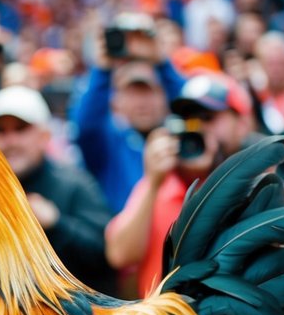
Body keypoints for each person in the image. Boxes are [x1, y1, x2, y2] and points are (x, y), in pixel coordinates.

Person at [105, 73, 254, 297]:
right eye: (188, 119)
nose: (198, 128)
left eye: (208, 117)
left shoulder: (256, 183)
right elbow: (119, 254)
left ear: (242, 124)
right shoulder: (160, 182)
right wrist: (152, 181)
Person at [0, 86, 118, 295]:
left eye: (21, 129)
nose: (10, 141)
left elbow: (107, 255)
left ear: (45, 136)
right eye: (0, 130)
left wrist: (56, 224)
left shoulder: (75, 184)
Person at [72, 22, 187, 212]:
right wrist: (102, 70)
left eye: (148, 91)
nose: (142, 102)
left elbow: (195, 106)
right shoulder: (109, 144)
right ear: (116, 101)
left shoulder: (181, 139)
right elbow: (86, 128)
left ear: (163, 97)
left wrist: (162, 62)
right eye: (132, 93)